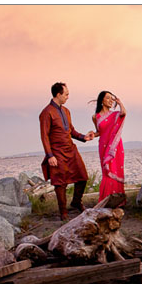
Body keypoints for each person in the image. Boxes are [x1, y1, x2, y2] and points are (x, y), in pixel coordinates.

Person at [39, 82, 97, 219]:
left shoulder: (66, 111)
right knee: (60, 183)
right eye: (66, 94)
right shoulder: (46, 112)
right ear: (58, 94)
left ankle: (76, 202)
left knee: (82, 176)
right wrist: (49, 155)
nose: (68, 97)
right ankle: (63, 213)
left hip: (71, 149)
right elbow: (44, 136)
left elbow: (70, 130)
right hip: (56, 152)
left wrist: (84, 137)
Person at [91, 91, 127, 207]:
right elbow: (99, 132)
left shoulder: (115, 114)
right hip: (103, 146)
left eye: (112, 99)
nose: (110, 100)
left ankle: (118, 200)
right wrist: (92, 134)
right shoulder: (95, 117)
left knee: (116, 169)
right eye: (108, 98)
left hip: (115, 147)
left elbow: (123, 113)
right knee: (106, 172)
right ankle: (105, 199)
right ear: (102, 100)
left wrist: (120, 102)